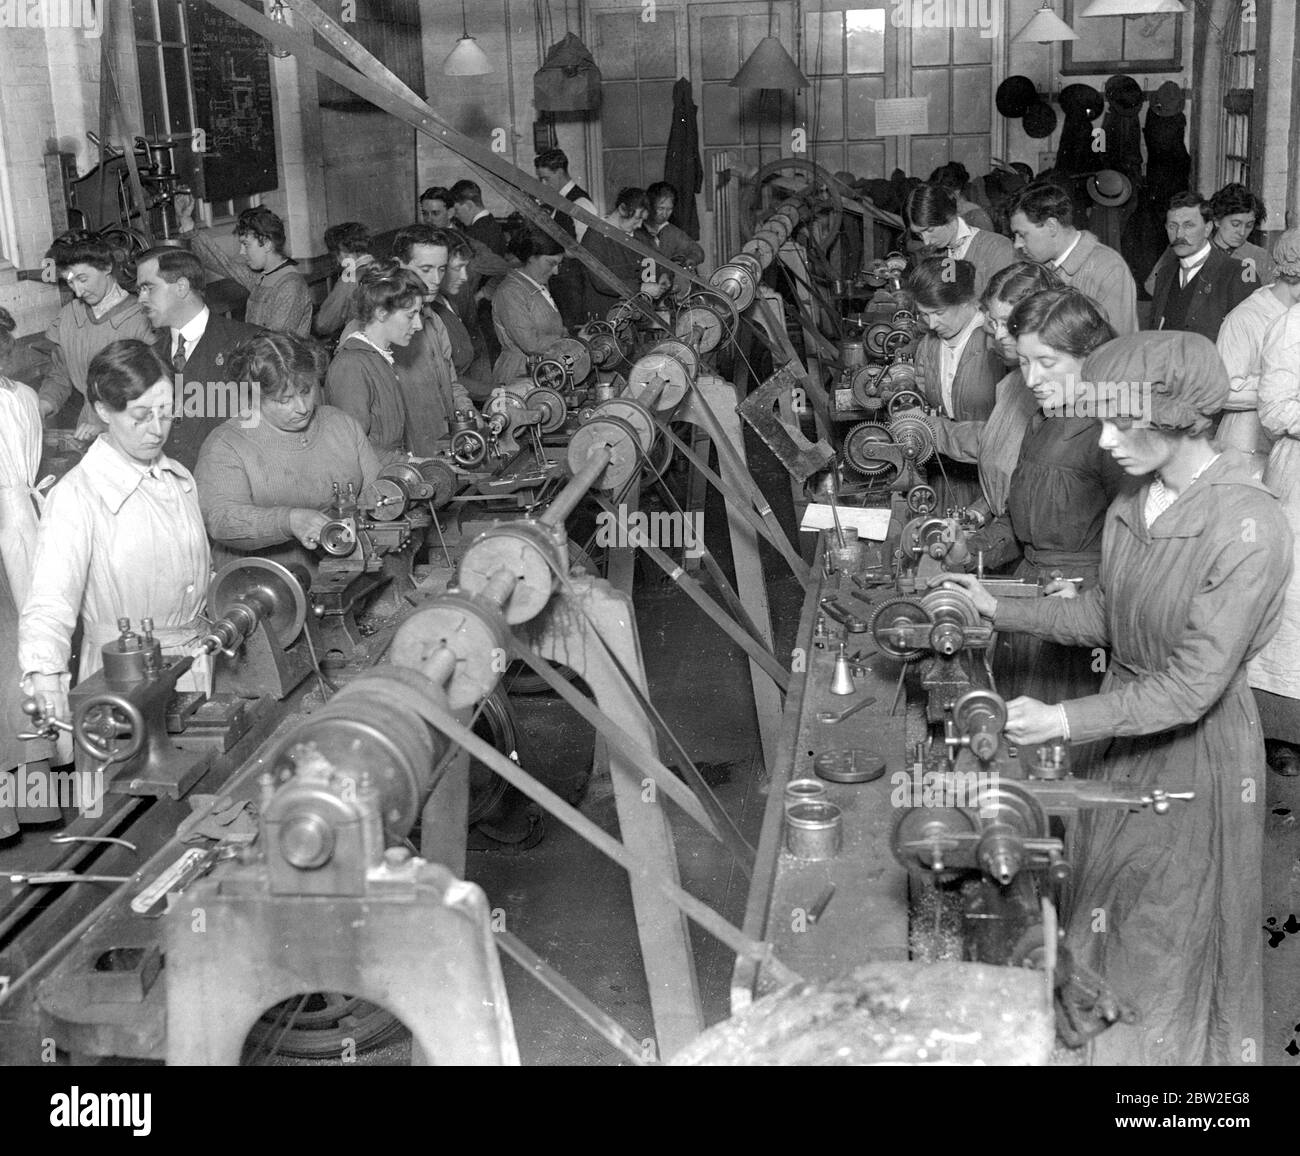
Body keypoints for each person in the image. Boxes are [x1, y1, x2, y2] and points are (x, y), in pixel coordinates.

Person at [936, 329, 1291, 1064]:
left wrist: (1065, 717)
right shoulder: (1138, 496)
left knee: (1161, 938)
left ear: (1178, 417)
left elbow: (1194, 685)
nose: (1103, 441)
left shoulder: (1249, 525)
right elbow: (1106, 610)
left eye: (1118, 422)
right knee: (1103, 911)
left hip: (1195, 761)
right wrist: (998, 609)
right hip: (1121, 736)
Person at [21, 338, 212, 767]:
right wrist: (45, 676)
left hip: (191, 671)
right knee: (129, 818)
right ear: (104, 411)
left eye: (166, 413)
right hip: (116, 689)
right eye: (141, 415)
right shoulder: (77, 497)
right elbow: (48, 604)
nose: (157, 429)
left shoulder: (179, 478)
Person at [967, 288, 1131, 705]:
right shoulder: (1044, 419)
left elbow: (1137, 552)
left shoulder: (1112, 436)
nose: (1031, 379)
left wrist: (1092, 600)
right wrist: (971, 548)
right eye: (1023, 362)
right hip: (1028, 601)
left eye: (1047, 363)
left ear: (1090, 358)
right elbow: (1017, 520)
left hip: (1078, 620)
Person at [196, 332, 380, 575]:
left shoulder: (340, 424)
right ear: (253, 396)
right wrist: (289, 521)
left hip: (345, 573)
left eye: (306, 391)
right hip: (265, 585)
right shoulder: (227, 444)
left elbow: (375, 493)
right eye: (284, 400)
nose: (302, 408)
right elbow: (221, 520)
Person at [921, 261, 1061, 523]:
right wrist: (980, 512)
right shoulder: (1014, 382)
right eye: (992, 322)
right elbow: (1001, 451)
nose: (997, 335)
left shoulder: (1056, 392)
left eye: (1008, 324)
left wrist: (932, 430)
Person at [0, 307, 57, 836]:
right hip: (25, 527)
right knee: (28, 655)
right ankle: (39, 799)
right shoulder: (20, 397)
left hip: (9, 530)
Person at [135, 247, 261, 472]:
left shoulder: (248, 342)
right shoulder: (150, 357)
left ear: (182, 287)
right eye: (140, 290)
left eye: (148, 288)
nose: (140, 299)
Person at [1248, 274, 1300, 776]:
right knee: (1291, 611)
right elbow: (1276, 409)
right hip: (1298, 477)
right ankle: (1283, 734)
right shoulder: (1292, 324)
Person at [906, 256, 1004, 510]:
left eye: (938, 313)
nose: (931, 324)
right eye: (924, 315)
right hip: (945, 479)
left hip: (988, 483)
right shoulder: (929, 344)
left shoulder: (997, 346)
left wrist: (932, 428)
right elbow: (924, 396)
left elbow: (1005, 439)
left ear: (965, 301)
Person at [36, 233, 153, 440]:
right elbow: (60, 376)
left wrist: (107, 427)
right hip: (87, 431)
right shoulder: (69, 317)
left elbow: (156, 392)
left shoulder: (143, 317)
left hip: (137, 432)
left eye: (83, 279)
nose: (78, 292)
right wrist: (40, 407)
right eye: (70, 282)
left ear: (107, 266)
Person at [1215, 228, 1300, 475]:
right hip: (1246, 448)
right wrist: (1278, 387)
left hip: (1285, 446)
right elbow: (1222, 390)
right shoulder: (1245, 318)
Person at [323, 260, 422, 464]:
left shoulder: (378, 358)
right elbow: (353, 447)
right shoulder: (352, 365)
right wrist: (412, 464)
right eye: (411, 315)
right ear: (381, 313)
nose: (418, 324)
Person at [1008, 182, 1139, 334]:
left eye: (1022, 235)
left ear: (1051, 226)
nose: (1017, 244)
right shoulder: (1037, 264)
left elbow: (1119, 345)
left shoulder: (1108, 268)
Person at [390, 224, 475, 454]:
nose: (436, 279)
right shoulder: (381, 330)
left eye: (441, 269)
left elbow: (452, 384)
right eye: (425, 269)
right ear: (399, 266)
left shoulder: (434, 320)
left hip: (445, 449)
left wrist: (471, 418)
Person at [181, 202, 312, 337]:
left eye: (246, 244)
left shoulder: (291, 285)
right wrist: (186, 221)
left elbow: (275, 344)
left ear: (267, 243)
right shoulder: (261, 277)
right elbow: (224, 263)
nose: (242, 252)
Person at [1146, 192, 1252, 341]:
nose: (1179, 235)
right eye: (1172, 226)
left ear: (1208, 229)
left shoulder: (1236, 273)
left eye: (1189, 226)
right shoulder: (1164, 274)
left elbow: (1247, 342)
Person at [904, 182, 1015, 299]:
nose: (926, 242)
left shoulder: (998, 248)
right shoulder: (935, 254)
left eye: (930, 230)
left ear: (948, 215)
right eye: (919, 235)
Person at [491, 228, 567, 385]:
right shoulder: (510, 291)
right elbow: (530, 343)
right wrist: (570, 341)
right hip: (519, 376)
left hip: (541, 371)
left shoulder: (538, 286)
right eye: (551, 263)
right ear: (531, 258)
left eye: (559, 264)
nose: (556, 271)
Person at [580, 187, 664, 323]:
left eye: (643, 220)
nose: (639, 225)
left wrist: (656, 279)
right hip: (604, 318)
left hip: (630, 318)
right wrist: (641, 287)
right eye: (637, 219)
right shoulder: (595, 237)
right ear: (622, 209)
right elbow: (601, 281)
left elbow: (649, 265)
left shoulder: (637, 237)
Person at [314, 222, 374, 340]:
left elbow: (324, 323)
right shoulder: (382, 267)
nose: (338, 261)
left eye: (335, 255)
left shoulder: (350, 277)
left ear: (342, 252)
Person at [1211, 182, 1273, 286]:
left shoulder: (1260, 257)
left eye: (1249, 225)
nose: (1242, 232)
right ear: (1217, 220)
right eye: (1235, 224)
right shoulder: (1199, 253)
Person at [639, 181, 706, 274]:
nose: (665, 214)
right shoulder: (636, 228)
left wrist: (692, 259)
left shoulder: (671, 231)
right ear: (650, 206)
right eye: (661, 208)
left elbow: (697, 250)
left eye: (669, 209)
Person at [534, 148, 598, 242]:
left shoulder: (581, 203)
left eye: (546, 179)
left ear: (560, 172)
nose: (543, 184)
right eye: (540, 179)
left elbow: (588, 248)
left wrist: (557, 257)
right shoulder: (558, 200)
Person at [450, 180, 508, 257]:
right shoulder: (492, 223)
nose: (455, 215)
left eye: (457, 210)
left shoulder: (476, 234)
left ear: (469, 205)